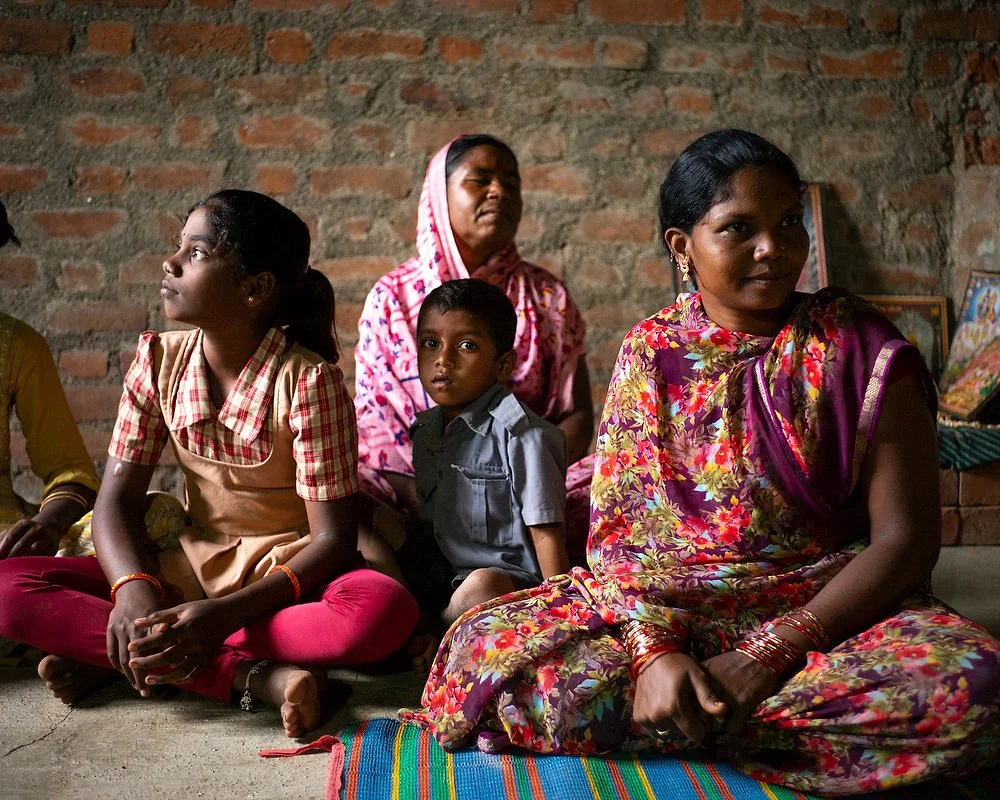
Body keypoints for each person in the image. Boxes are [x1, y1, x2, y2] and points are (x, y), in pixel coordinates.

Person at [402, 130, 1000, 795]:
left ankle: (688, 719)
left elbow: (905, 542)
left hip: (830, 612)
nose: (773, 248)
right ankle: (711, 710)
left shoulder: (861, 348)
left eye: (788, 224)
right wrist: (653, 653)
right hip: (675, 610)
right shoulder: (651, 352)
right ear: (682, 247)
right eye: (739, 228)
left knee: (975, 685)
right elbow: (619, 545)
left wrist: (768, 654)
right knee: (482, 648)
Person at [0, 190, 418, 738]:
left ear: (254, 289)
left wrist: (222, 616)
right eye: (178, 247)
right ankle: (247, 675)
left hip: (285, 578)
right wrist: (132, 589)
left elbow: (333, 541)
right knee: (8, 588)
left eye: (195, 252)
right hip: (187, 569)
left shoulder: (310, 382)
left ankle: (133, 655)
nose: (170, 263)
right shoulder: (157, 361)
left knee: (380, 612)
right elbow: (114, 504)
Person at [354, 134, 595, 569]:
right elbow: (377, 422)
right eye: (480, 179)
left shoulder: (546, 296)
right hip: (412, 491)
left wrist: (528, 487)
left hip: (529, 490)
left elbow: (574, 413)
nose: (499, 191)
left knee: (619, 478)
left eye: (511, 183)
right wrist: (442, 502)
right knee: (345, 494)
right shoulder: (394, 298)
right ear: (439, 195)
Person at [394, 278, 569, 627]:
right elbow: (430, 522)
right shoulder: (425, 430)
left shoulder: (522, 436)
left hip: (505, 583)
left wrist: (563, 612)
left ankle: (433, 630)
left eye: (467, 345)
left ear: (502, 364)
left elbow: (547, 534)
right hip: (442, 569)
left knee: (481, 585)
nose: (443, 360)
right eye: (431, 343)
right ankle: (406, 614)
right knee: (361, 512)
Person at [0, 201, 99, 562]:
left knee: (156, 514)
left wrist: (48, 525)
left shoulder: (15, 346)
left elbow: (71, 472)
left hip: (3, 546)